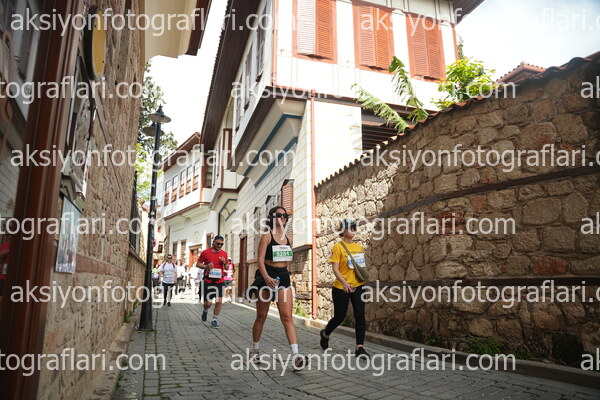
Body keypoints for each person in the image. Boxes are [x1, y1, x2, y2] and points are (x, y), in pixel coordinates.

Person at [249, 206, 305, 369]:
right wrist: (267, 278)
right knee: (261, 316)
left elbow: (288, 260)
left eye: (285, 215)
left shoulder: (289, 239)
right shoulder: (266, 236)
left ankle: (296, 355)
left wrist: (285, 275)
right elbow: (259, 260)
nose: (282, 217)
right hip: (266, 275)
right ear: (272, 217)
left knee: (287, 316)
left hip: (283, 276)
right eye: (279, 215)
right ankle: (255, 350)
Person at [320, 219, 369, 358]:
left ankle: (359, 347)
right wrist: (345, 283)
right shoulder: (338, 247)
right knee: (340, 316)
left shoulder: (358, 247)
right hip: (341, 287)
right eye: (350, 227)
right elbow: (335, 269)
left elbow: (360, 267)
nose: (353, 229)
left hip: (357, 286)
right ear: (343, 230)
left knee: (360, 315)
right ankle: (325, 334)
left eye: (354, 227)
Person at [198, 235, 228, 328]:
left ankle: (214, 320)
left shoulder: (224, 254)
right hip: (208, 280)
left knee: (219, 301)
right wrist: (206, 266)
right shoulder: (205, 252)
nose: (219, 246)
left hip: (220, 281)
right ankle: (205, 310)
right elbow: (198, 264)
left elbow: (227, 267)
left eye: (221, 244)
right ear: (213, 242)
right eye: (218, 243)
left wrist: (224, 262)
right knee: (208, 303)